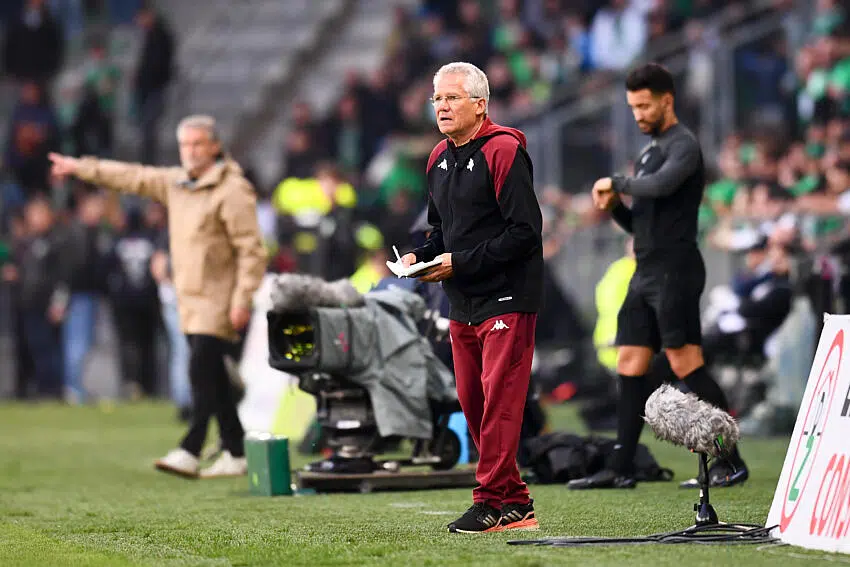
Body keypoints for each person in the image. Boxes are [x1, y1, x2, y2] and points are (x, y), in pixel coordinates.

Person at [48, 114, 267, 478]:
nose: (191, 152)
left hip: (219, 296)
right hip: (188, 296)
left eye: (198, 144)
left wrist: (243, 298)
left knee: (199, 368)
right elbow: (131, 177)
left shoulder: (231, 190)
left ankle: (191, 447)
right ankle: (236, 450)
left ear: (214, 146)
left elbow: (251, 250)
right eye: (185, 144)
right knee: (210, 372)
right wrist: (80, 167)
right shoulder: (176, 183)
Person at [568, 63, 749, 491]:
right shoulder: (650, 152)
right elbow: (639, 227)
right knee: (629, 363)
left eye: (644, 105)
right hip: (645, 270)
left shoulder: (683, 146)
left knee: (687, 364)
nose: (638, 114)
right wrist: (613, 205)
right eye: (632, 106)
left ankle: (730, 460)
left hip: (676, 270)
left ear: (667, 100)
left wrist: (618, 181)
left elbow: (664, 186)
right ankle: (621, 467)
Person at [400, 62, 543, 533]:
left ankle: (488, 501)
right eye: (437, 98)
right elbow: (440, 230)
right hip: (462, 299)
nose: (441, 106)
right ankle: (516, 504)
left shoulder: (504, 150)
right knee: (474, 401)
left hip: (507, 295)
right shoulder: (437, 156)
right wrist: (419, 257)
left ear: (480, 105)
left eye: (452, 98)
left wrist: (459, 263)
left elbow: (525, 233)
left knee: (500, 400)